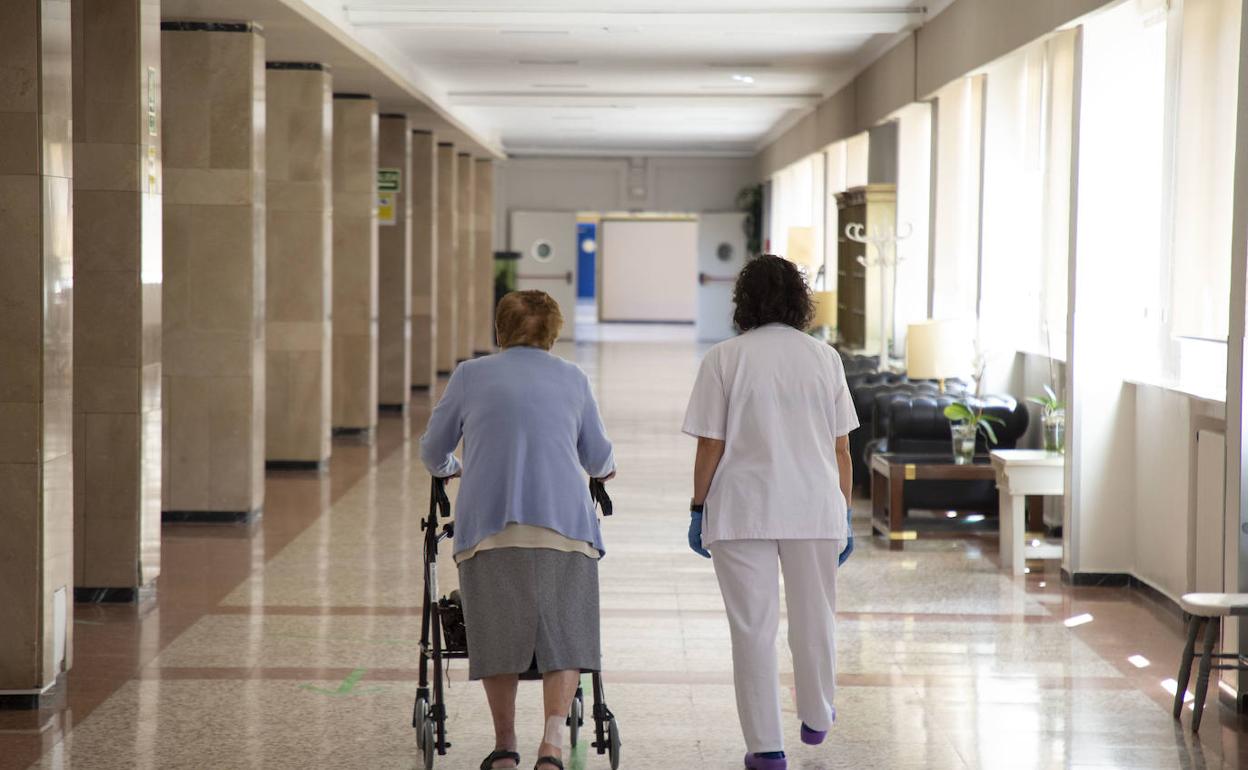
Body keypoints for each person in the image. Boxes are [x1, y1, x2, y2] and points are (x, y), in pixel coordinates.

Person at [420, 290, 616, 770]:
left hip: (489, 529)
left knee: (499, 633)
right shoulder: (573, 378)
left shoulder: (470, 376)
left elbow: (432, 451)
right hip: (565, 528)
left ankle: (505, 746)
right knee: (566, 633)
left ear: (499, 329)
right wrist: (604, 469)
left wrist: (453, 466)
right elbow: (599, 458)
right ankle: (551, 744)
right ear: (553, 332)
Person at [681, 255, 857, 770]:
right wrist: (843, 512)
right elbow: (841, 448)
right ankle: (817, 715)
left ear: (744, 301)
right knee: (814, 616)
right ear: (800, 302)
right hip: (814, 507)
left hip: (742, 509)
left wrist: (697, 507)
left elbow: (710, 445)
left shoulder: (723, 358)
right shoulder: (824, 358)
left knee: (752, 628)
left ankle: (766, 747)